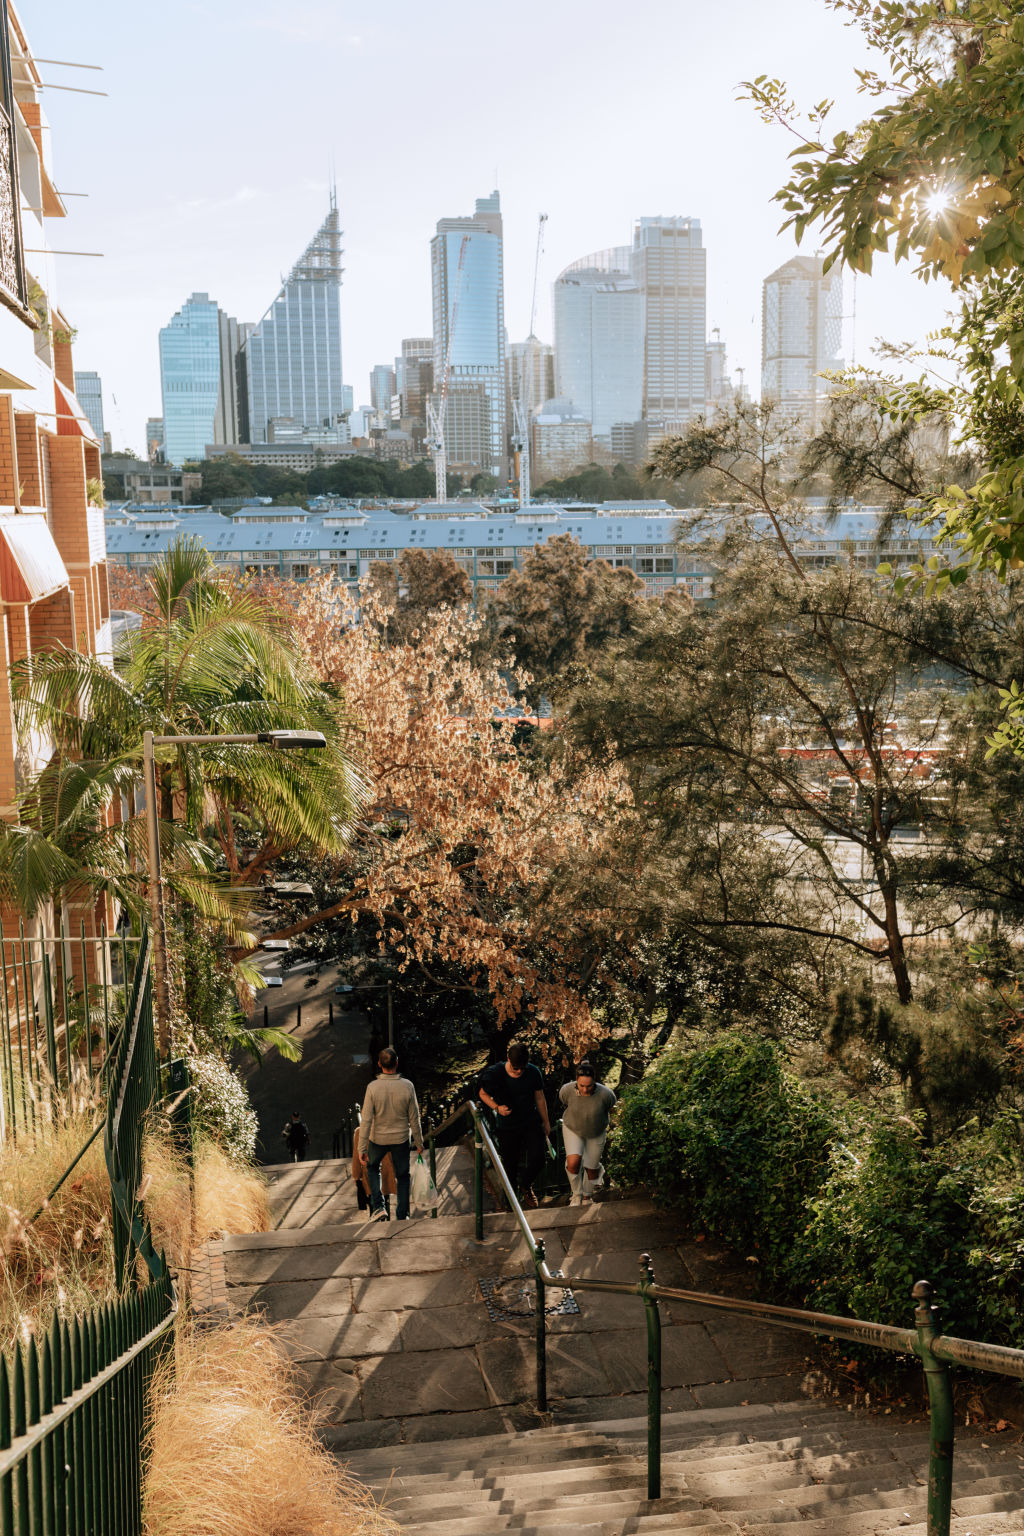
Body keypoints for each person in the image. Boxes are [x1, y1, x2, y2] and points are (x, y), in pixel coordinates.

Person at [478, 1041, 551, 1208]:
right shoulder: (495, 1073)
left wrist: (546, 1122)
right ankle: (510, 1203)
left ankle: (525, 1185)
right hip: (507, 1126)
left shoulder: (533, 1072)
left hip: (530, 1121)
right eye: (515, 1068)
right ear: (508, 1060)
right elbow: (482, 1093)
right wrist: (496, 1107)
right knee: (510, 1165)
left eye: (522, 1069)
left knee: (539, 1157)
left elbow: (539, 1097)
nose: (518, 1072)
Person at [359, 1047, 423, 1222]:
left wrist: (361, 1147)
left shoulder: (372, 1088)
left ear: (379, 1064)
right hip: (400, 1139)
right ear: (397, 1063)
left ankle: (379, 1206)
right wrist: (419, 1141)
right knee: (402, 1176)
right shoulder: (407, 1086)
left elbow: (366, 1120)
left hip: (377, 1139)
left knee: (372, 1168)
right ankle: (403, 1215)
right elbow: (414, 1117)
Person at [559, 1062, 616, 1206]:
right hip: (572, 1128)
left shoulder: (606, 1095)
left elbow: (611, 1109)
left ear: (595, 1081)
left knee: (592, 1168)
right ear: (576, 1081)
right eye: (581, 1085)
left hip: (596, 1132)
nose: (585, 1089)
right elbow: (566, 1102)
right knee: (573, 1163)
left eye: (589, 1086)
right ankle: (576, 1195)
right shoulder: (566, 1090)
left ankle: (587, 1196)